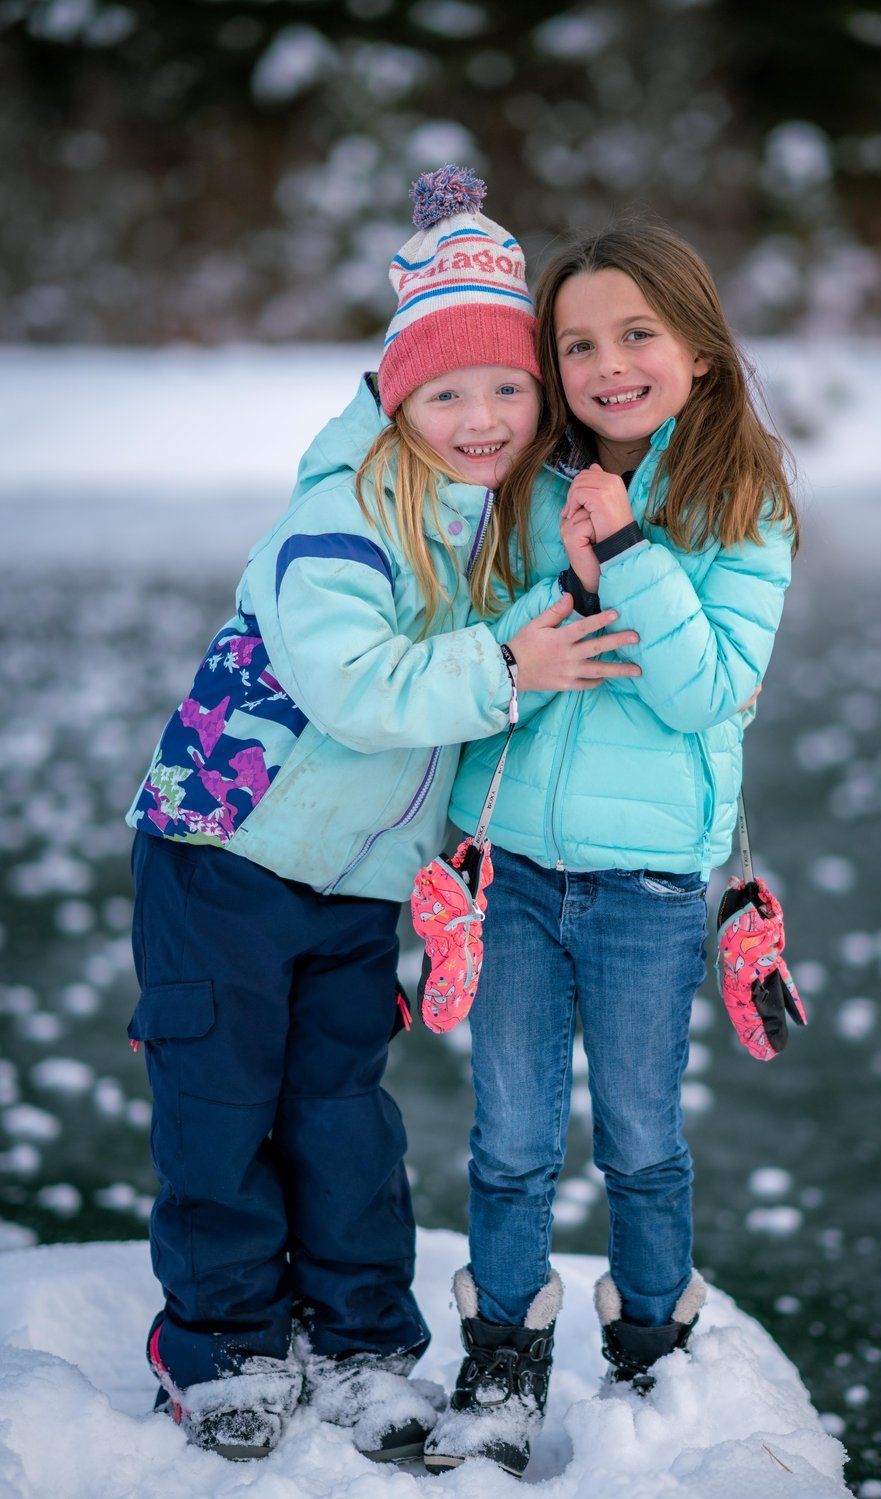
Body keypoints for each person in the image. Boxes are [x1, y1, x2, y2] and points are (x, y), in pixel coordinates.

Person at [124, 169, 641, 1464]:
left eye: (507, 387)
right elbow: (356, 687)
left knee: (342, 1107)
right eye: (448, 390)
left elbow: (493, 661)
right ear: (395, 396)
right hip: (224, 854)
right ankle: (220, 1332)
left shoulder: (482, 518)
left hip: (356, 878)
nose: (481, 414)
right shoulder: (341, 513)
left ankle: (359, 1335)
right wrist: (510, 665)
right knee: (220, 1098)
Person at [426, 222, 800, 1476]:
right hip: (514, 866)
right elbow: (486, 653)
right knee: (513, 1135)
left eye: (636, 333)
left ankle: (652, 1337)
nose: (607, 363)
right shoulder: (519, 488)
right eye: (577, 341)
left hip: (648, 885)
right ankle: (502, 1355)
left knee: (640, 1135)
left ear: (697, 348)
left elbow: (705, 694)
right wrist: (566, 583)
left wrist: (632, 552)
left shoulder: (741, 508)